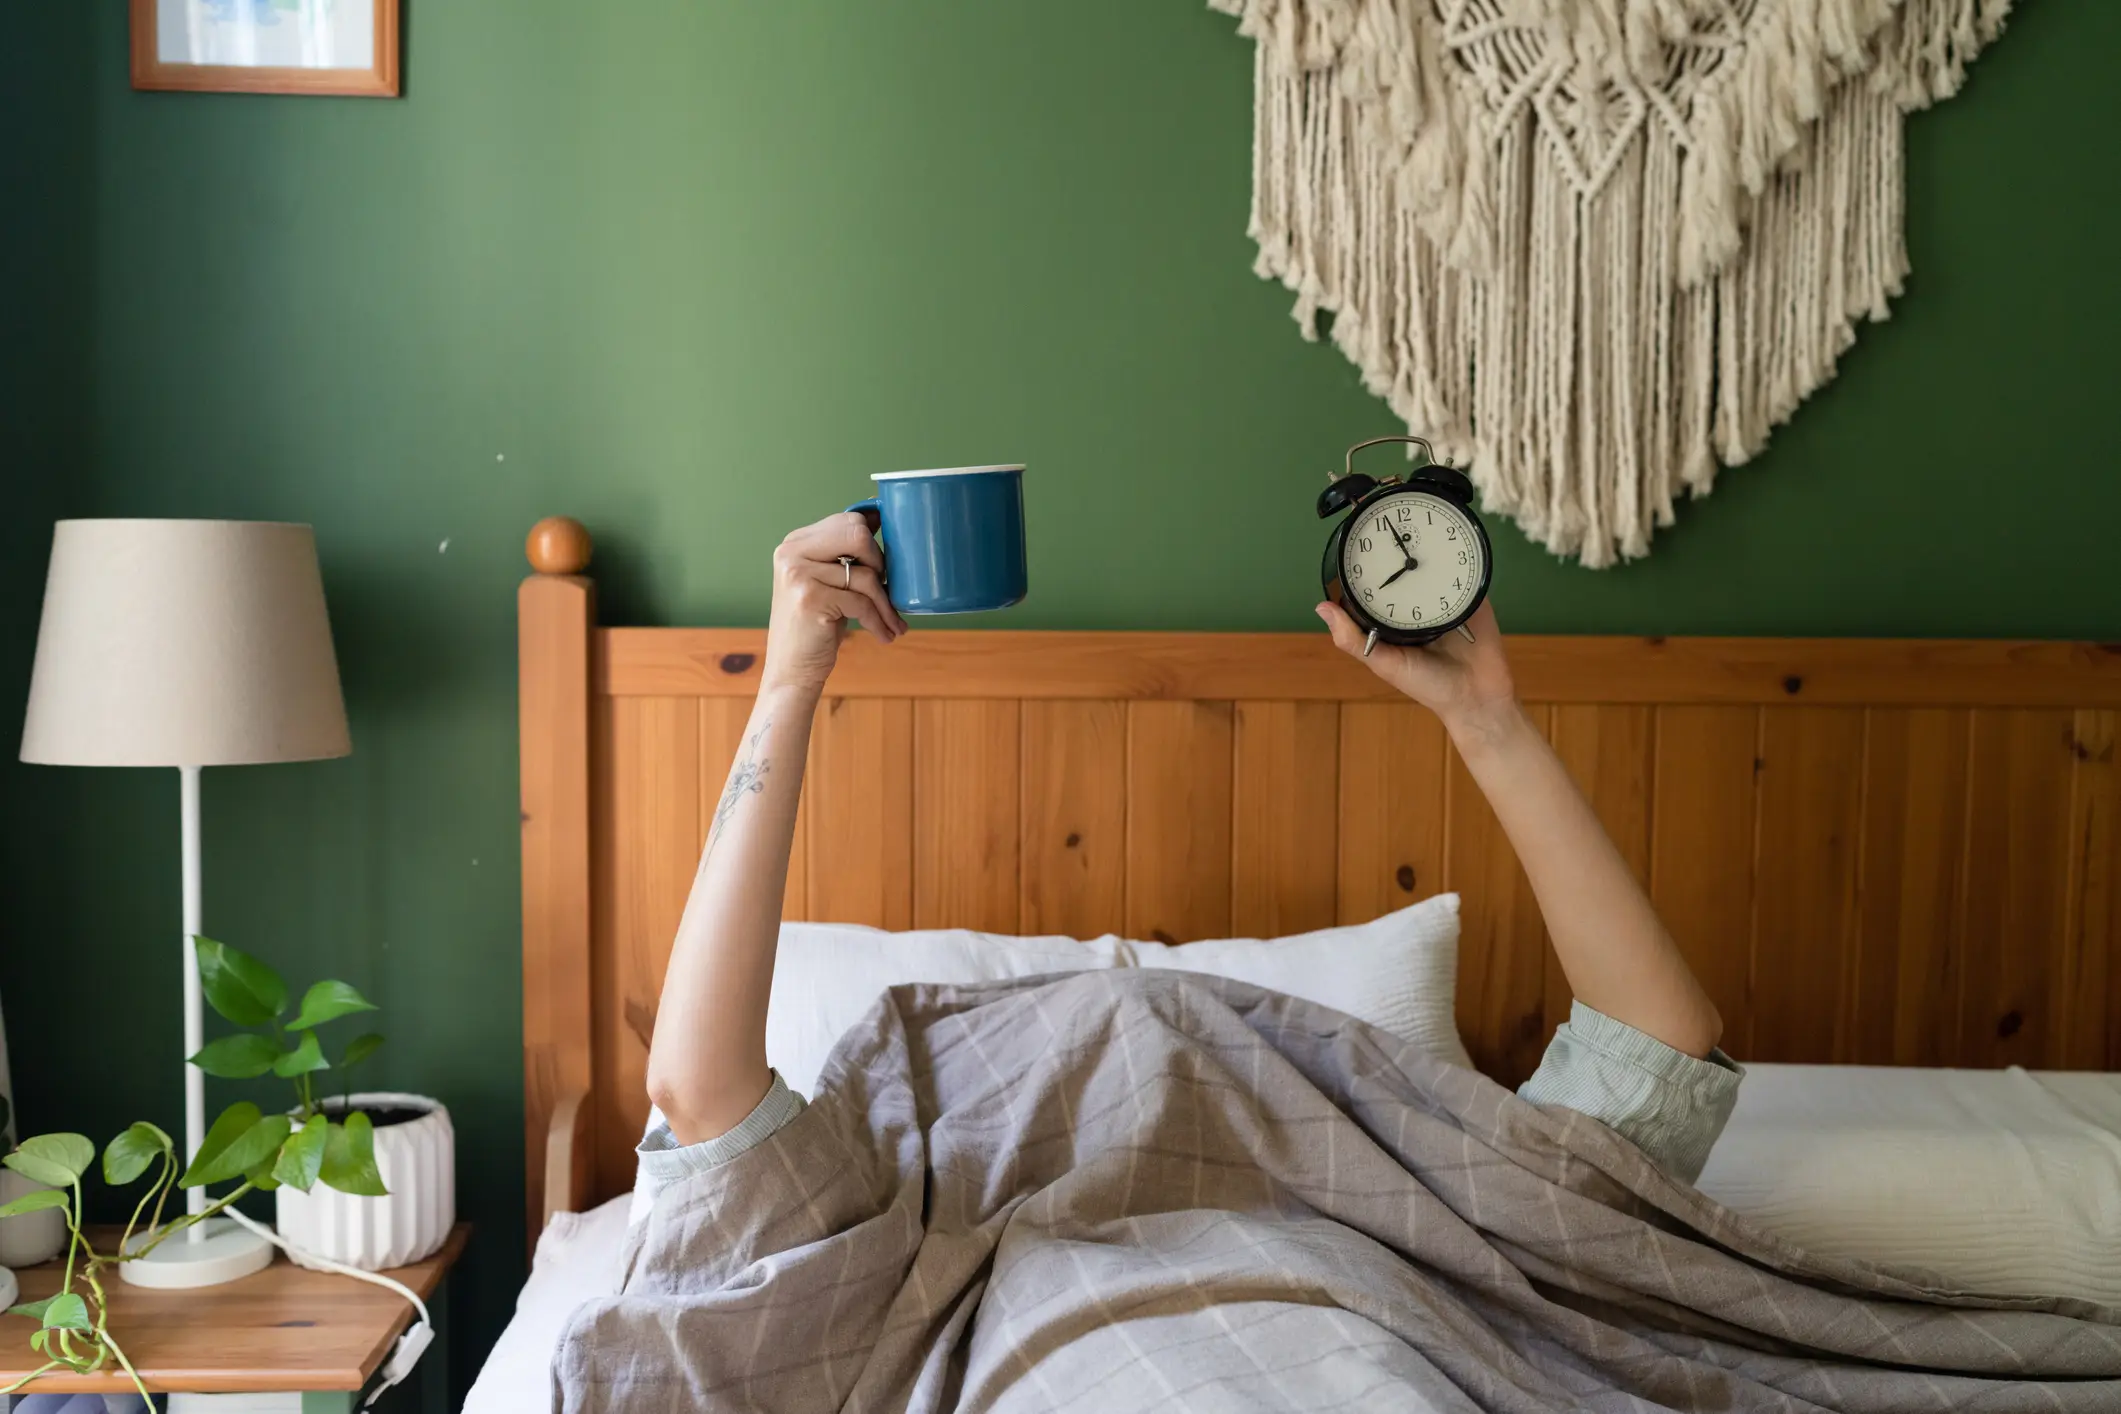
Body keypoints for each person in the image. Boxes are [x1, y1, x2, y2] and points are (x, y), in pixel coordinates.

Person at [636, 512, 1741, 1219]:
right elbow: (696, 1096)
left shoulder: (1412, 1163)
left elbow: (1660, 1055)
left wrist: (1488, 718)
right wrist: (786, 682)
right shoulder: (910, 1190)